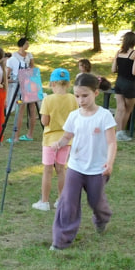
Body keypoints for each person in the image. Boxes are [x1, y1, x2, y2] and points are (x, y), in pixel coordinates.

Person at [50, 73, 117, 251]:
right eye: (77, 96)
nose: (81, 100)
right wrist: (59, 143)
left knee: (96, 202)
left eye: (85, 96)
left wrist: (109, 163)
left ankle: (102, 218)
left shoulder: (104, 116)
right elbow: (67, 136)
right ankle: (60, 241)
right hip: (76, 167)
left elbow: (111, 142)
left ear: (96, 93)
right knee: (68, 202)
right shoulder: (74, 116)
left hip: (97, 169)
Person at [33, 68, 76, 211]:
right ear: (68, 84)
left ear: (52, 84)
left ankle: (44, 201)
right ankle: (61, 199)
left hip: (50, 139)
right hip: (66, 139)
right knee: (61, 169)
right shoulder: (73, 99)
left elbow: (44, 121)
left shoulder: (48, 99)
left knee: (47, 170)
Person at [6, 37, 38, 142]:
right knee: (22, 108)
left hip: (28, 81)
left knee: (29, 108)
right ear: (21, 45)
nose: (28, 45)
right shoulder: (14, 56)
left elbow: (32, 68)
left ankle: (26, 135)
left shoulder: (29, 55)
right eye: (26, 43)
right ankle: (18, 135)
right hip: (26, 81)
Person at [111, 32, 135, 142]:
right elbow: (134, 72)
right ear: (134, 41)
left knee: (120, 109)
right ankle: (121, 133)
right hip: (129, 83)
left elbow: (113, 70)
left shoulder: (118, 53)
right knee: (128, 110)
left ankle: (116, 132)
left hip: (118, 82)